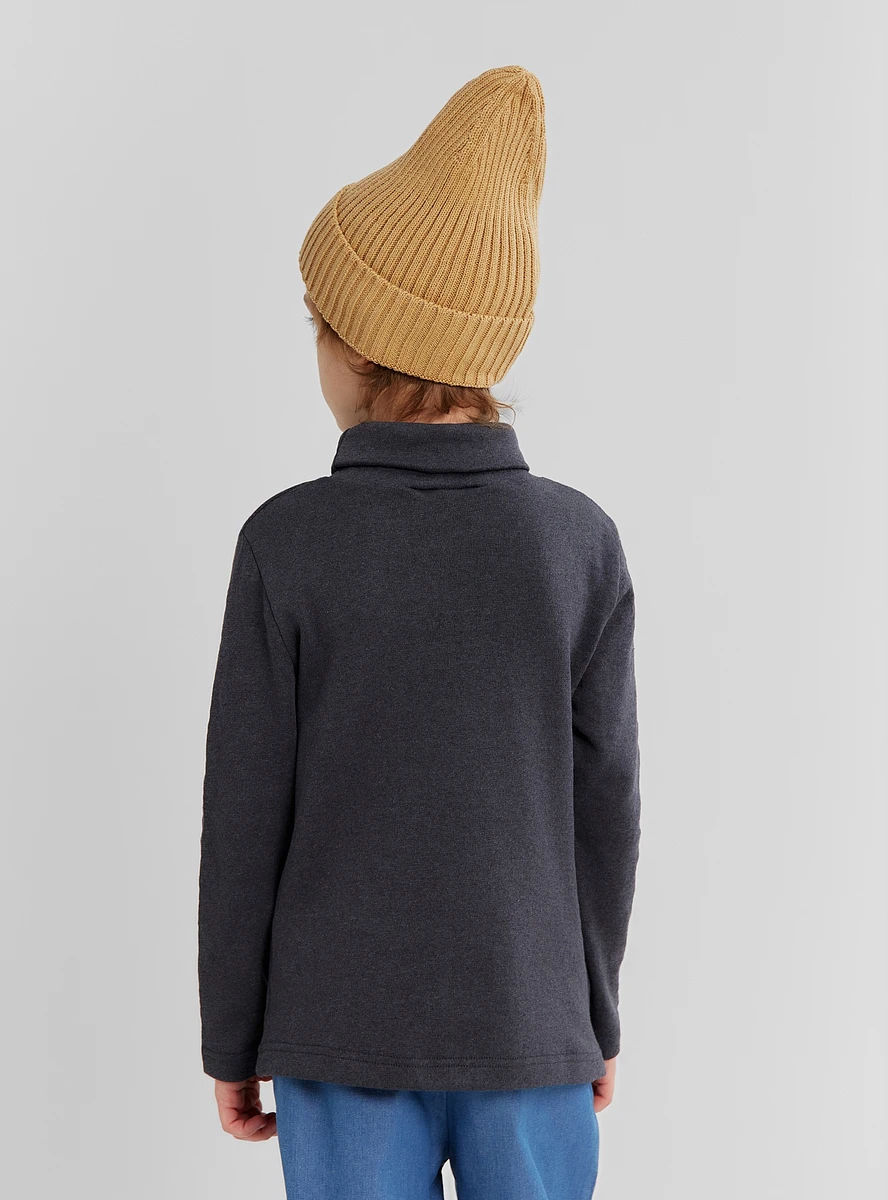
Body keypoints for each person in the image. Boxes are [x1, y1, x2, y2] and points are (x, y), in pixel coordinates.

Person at [198, 64, 642, 1199]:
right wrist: (591, 1014)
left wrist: (233, 1035)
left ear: (355, 346)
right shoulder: (578, 544)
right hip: (531, 1027)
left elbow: (245, 811)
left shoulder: (288, 542)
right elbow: (607, 811)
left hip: (336, 1033)